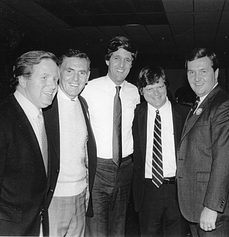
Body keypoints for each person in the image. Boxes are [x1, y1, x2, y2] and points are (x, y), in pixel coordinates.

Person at [0, 51, 59, 236]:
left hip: (34, 226)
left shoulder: (41, 115)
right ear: (22, 79)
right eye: (44, 77)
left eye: (55, 79)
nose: (53, 86)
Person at [81, 36, 140, 237]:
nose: (122, 65)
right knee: (96, 229)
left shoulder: (135, 93)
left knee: (119, 228)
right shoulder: (88, 89)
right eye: (117, 58)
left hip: (125, 168)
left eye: (128, 59)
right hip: (97, 169)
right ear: (107, 60)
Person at [177, 47, 229, 237]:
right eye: (191, 72)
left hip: (211, 210)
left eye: (203, 71)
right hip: (195, 204)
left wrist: (212, 207)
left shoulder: (224, 105)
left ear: (216, 73)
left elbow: (224, 158)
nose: (196, 78)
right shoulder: (201, 103)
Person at [43, 49, 97, 237]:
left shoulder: (82, 103)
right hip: (54, 198)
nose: (76, 78)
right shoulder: (46, 104)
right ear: (58, 72)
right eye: (69, 71)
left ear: (88, 76)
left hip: (81, 196)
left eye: (82, 72)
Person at [132, 65, 190, 236]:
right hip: (148, 190)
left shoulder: (186, 114)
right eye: (150, 88)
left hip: (178, 190)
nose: (156, 93)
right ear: (141, 91)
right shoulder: (134, 115)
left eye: (160, 86)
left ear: (167, 86)